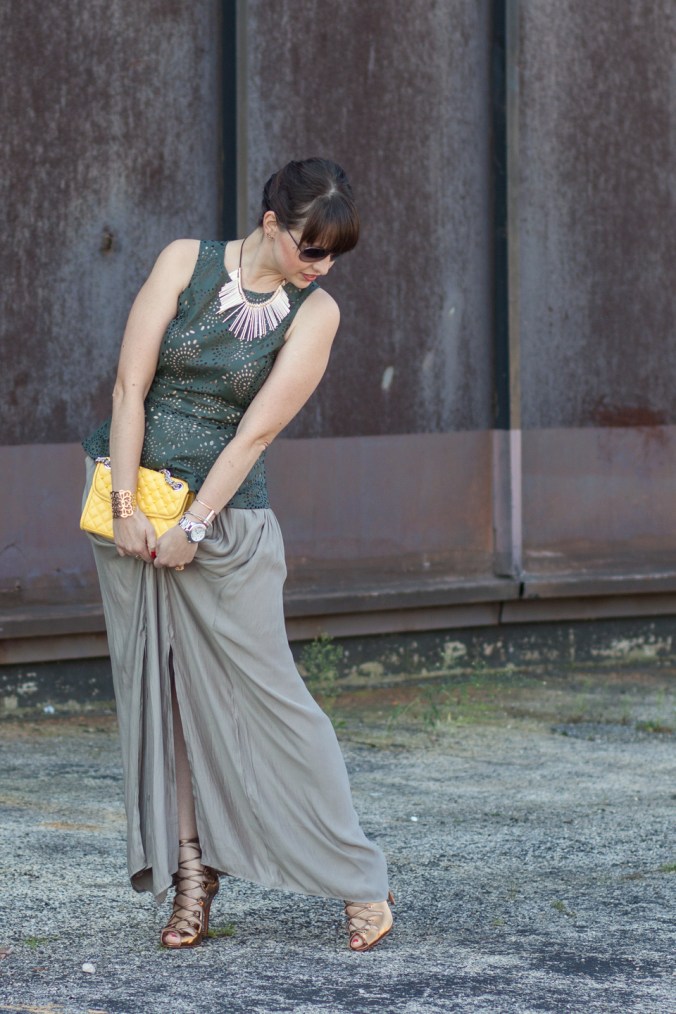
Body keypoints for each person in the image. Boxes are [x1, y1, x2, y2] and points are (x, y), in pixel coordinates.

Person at [82, 158, 393, 951]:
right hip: (131, 508)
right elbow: (128, 389)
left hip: (224, 523)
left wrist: (194, 527)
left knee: (274, 701)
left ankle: (358, 878)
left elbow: (256, 434)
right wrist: (126, 509)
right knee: (160, 700)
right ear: (270, 223)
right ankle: (192, 880)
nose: (320, 266)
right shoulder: (183, 262)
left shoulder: (315, 314)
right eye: (309, 248)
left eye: (333, 256)